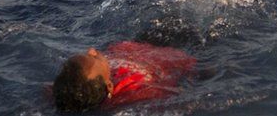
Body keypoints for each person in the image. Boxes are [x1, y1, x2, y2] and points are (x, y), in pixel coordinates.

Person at [52, 41, 196, 112]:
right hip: (178, 51)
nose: (92, 50)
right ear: (109, 86)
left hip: (140, 48)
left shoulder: (66, 91)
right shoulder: (142, 95)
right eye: (94, 58)